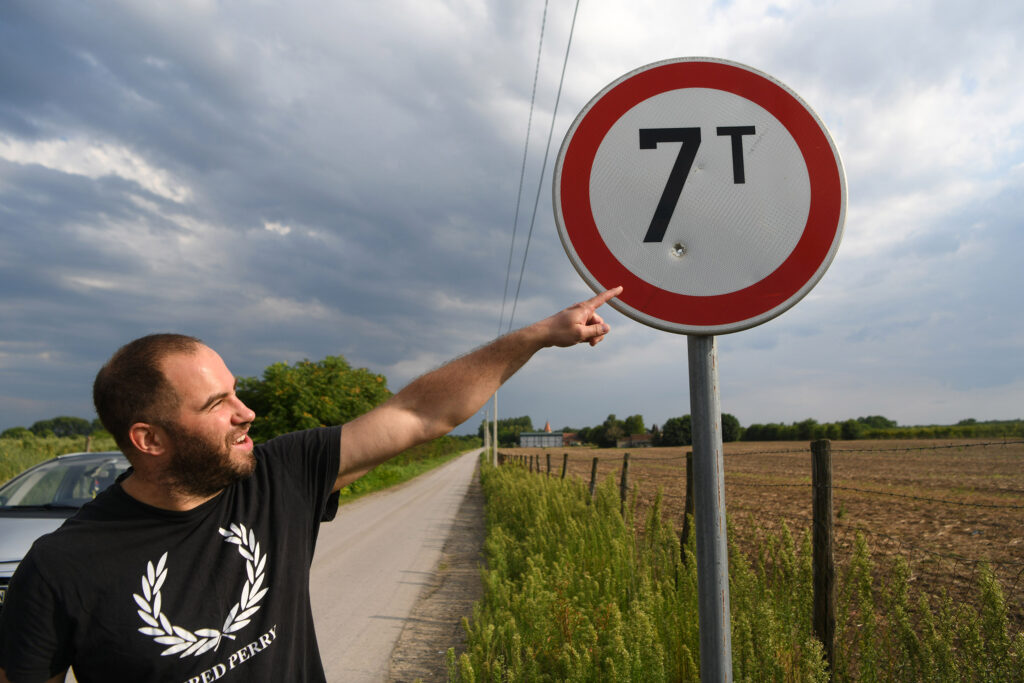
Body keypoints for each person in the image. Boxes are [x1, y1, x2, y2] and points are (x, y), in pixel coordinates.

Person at [0, 286, 622, 683]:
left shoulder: (279, 477)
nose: (247, 412)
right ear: (150, 440)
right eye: (219, 403)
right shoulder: (61, 567)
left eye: (237, 390)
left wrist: (537, 335)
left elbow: (419, 415)